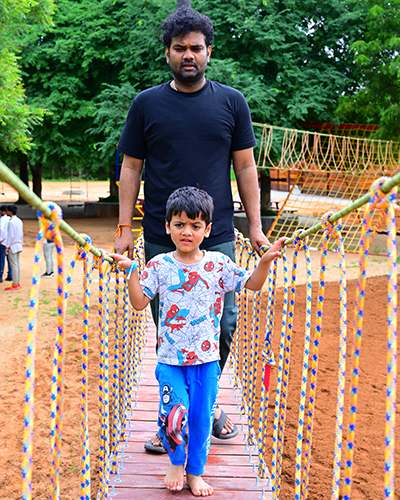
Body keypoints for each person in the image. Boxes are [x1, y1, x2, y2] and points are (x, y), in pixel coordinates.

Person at [115, 4, 270, 450]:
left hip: (218, 232)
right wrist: (125, 227)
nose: (189, 55)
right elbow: (130, 166)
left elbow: (245, 166)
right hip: (163, 236)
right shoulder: (146, 104)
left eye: (196, 48)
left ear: (209, 51)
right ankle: (172, 415)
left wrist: (255, 228)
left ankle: (206, 402)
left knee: (222, 326)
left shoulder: (231, 102)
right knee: (170, 328)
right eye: (180, 47)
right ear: (167, 52)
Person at [112, 187, 284, 496]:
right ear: (167, 227)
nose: (186, 232)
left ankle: (195, 472)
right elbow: (139, 303)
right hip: (171, 360)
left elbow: (252, 284)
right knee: (174, 411)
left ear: (207, 230)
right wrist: (133, 274)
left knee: (201, 418)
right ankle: (177, 462)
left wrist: (266, 263)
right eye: (179, 224)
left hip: (207, 361)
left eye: (195, 225)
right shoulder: (161, 266)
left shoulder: (218, 264)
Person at [4, 205, 23, 291]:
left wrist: (7, 246)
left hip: (13, 245)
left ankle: (15, 284)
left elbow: (10, 236)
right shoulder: (19, 220)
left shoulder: (11, 222)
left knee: (14, 265)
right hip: (18, 244)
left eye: (7, 211)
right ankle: (17, 282)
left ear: (10, 212)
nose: (6, 212)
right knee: (17, 264)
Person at [0, 206, 12, 283]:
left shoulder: (3, 219)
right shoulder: (10, 219)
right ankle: (10, 275)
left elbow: (2, 230)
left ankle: (0, 276)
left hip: (3, 242)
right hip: (10, 242)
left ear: (3, 211)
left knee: (1, 259)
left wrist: (0, 240)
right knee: (10, 259)